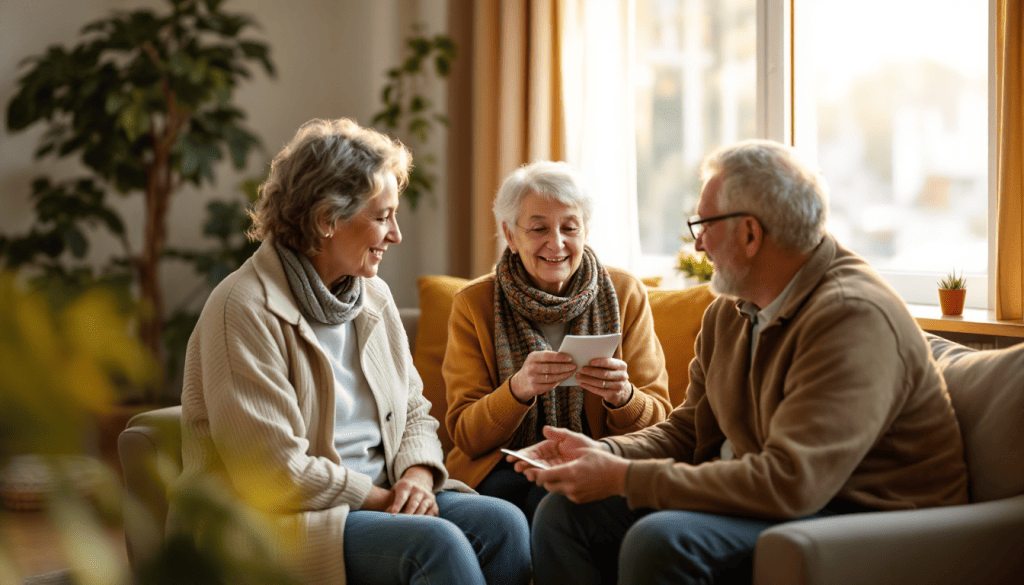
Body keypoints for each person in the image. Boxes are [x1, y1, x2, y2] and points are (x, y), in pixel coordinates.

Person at [515, 140, 970, 585]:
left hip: (862, 517)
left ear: (750, 234)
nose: (698, 247)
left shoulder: (851, 316)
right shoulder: (730, 311)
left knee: (663, 540)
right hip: (781, 498)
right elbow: (689, 431)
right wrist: (602, 453)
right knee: (563, 512)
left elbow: (793, 481)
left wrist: (625, 476)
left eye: (704, 225)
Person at [169, 118, 530, 585]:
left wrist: (418, 477)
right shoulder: (243, 308)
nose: (395, 234)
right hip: (281, 518)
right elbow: (274, 471)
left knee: (504, 524)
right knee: (433, 545)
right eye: (382, 217)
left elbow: (415, 411)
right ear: (326, 220)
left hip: (385, 495)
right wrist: (388, 502)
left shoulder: (372, 296)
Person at [443, 160, 672, 523]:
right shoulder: (474, 304)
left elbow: (661, 423)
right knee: (542, 497)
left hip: (597, 456)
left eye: (570, 227)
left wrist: (623, 397)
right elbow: (466, 436)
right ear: (510, 234)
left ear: (585, 231)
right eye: (538, 229)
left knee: (569, 497)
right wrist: (517, 389)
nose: (557, 243)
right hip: (503, 467)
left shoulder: (626, 293)